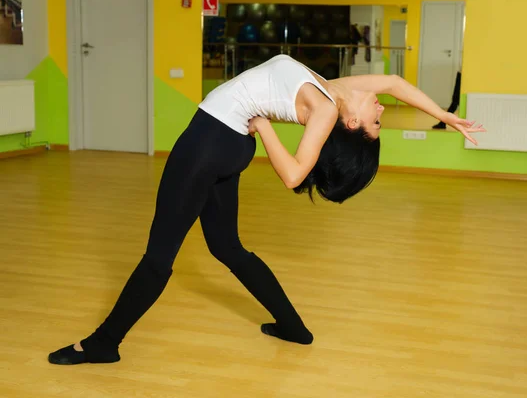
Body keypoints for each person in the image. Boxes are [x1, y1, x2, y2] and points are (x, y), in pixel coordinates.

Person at [48, 54, 485, 365]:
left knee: (159, 256)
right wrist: (446, 117)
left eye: (376, 121)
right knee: (227, 248)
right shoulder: (339, 92)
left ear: (352, 125)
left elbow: (294, 176)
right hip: (230, 144)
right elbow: (393, 82)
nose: (380, 109)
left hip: (210, 142)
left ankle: (104, 343)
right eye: (379, 115)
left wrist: (262, 127)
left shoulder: (329, 108)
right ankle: (294, 327)